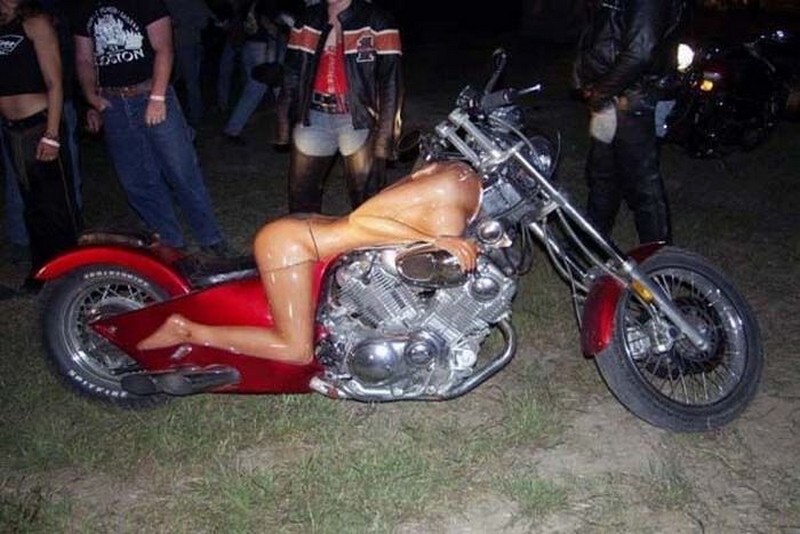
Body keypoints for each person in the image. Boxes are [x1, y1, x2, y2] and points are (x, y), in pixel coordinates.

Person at [137, 160, 481, 365]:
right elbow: (362, 220)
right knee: (296, 349)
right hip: (291, 244)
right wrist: (434, 240)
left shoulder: (451, 176)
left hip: (307, 233)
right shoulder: (448, 187)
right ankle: (187, 330)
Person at [74, 0, 231, 256]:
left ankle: (210, 237)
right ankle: (170, 243)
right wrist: (91, 96)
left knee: (181, 169)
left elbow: (164, 48)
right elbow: (83, 59)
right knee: (136, 179)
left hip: (150, 92)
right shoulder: (84, 7)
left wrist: (157, 98)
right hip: (113, 102)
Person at [276, 0, 403, 213]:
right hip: (313, 117)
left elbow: (391, 82)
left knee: (367, 203)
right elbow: (292, 73)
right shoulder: (308, 19)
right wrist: (284, 122)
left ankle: (365, 237)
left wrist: (385, 137)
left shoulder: (378, 20)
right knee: (301, 198)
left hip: (358, 120)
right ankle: (308, 235)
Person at [574, 0, 680, 245]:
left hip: (634, 99)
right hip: (613, 98)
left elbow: (640, 51)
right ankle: (592, 247)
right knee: (602, 177)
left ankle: (660, 257)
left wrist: (601, 92)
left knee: (642, 185)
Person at [0, 0, 81, 290]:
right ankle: (43, 270)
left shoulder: (36, 23)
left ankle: (73, 273)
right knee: (31, 206)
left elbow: (54, 82)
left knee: (57, 206)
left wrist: (52, 133)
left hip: (40, 124)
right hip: (12, 130)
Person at [221, 0, 296, 144]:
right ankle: (232, 130)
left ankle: (285, 130)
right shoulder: (267, 4)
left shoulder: (248, 3)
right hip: (265, 49)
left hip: (250, 46)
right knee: (267, 87)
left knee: (263, 89)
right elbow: (272, 23)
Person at [163, 0, 213, 126]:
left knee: (190, 82)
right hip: (174, 46)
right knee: (176, 80)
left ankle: (195, 116)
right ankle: (187, 114)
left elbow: (204, 21)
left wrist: (182, 23)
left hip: (187, 44)